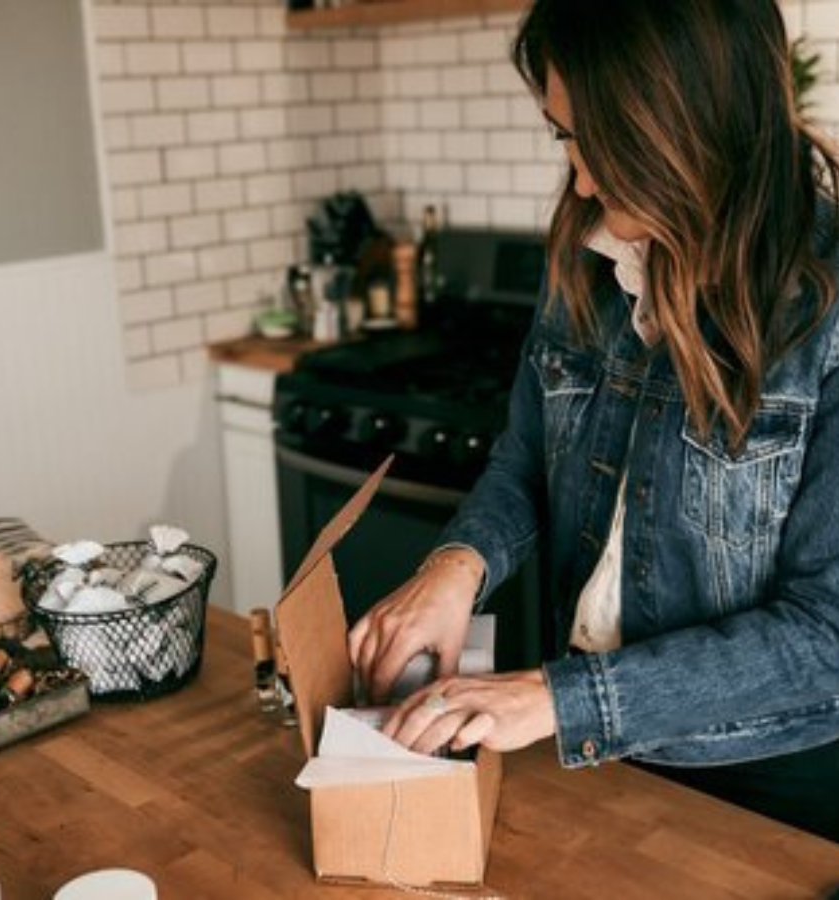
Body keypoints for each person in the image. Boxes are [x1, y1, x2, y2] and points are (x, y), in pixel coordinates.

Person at [348, 0, 839, 842]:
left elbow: (826, 635)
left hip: (769, 790)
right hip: (589, 751)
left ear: (686, 127)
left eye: (596, 146)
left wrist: (555, 697)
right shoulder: (591, 248)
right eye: (563, 138)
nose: (579, 181)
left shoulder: (822, 307)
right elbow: (530, 454)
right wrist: (455, 567)